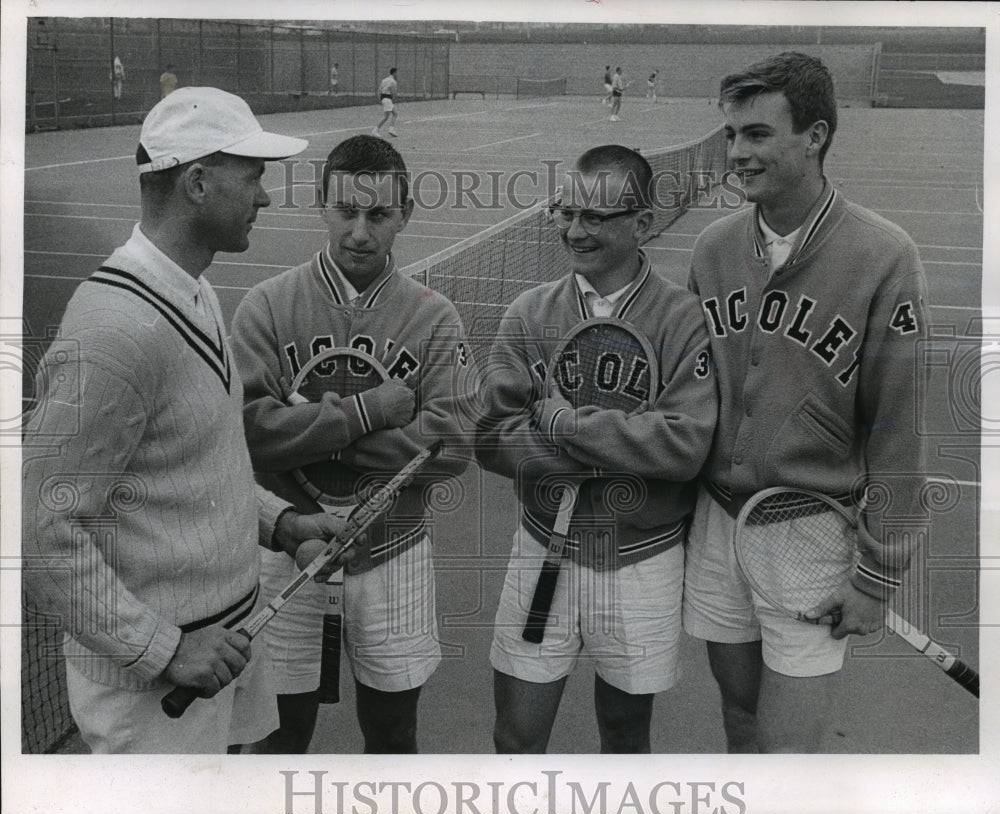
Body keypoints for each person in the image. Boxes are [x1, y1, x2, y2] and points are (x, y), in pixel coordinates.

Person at [21, 87, 350, 754]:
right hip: (157, 698)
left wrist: (278, 524)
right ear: (198, 182)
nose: (264, 196)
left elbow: (198, 459)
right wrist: (163, 648)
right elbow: (40, 524)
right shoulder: (115, 329)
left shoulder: (195, 289)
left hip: (223, 651)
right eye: (252, 174)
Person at [682, 52, 928, 753]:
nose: (737, 153)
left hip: (813, 532)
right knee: (739, 725)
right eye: (731, 136)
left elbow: (897, 427)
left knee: (788, 755)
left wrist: (878, 576)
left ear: (815, 136)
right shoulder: (712, 248)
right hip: (718, 523)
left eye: (757, 134)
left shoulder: (885, 256)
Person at [230, 134, 475, 754]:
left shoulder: (435, 317)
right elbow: (249, 434)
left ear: (405, 214)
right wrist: (373, 411)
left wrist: (311, 429)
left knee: (393, 735)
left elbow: (450, 447)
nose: (360, 232)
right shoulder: (267, 305)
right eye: (346, 212)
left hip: (393, 549)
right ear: (322, 206)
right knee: (278, 739)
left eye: (379, 214)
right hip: (287, 543)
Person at [476, 144, 717, 753]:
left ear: (642, 223)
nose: (575, 231)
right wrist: (617, 442)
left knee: (626, 734)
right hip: (540, 548)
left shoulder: (682, 318)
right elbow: (491, 437)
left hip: (643, 561)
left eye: (597, 217)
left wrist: (561, 424)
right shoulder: (530, 313)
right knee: (516, 737)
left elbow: (684, 446)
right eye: (566, 212)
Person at [373, 68, 398, 138]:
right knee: (385, 117)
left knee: (395, 113)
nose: (397, 75)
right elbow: (393, 93)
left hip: (384, 98)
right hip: (388, 99)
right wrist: (393, 100)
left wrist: (379, 100)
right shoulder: (393, 81)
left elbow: (379, 90)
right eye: (396, 73)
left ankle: (391, 129)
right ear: (394, 73)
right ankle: (375, 130)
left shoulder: (384, 80)